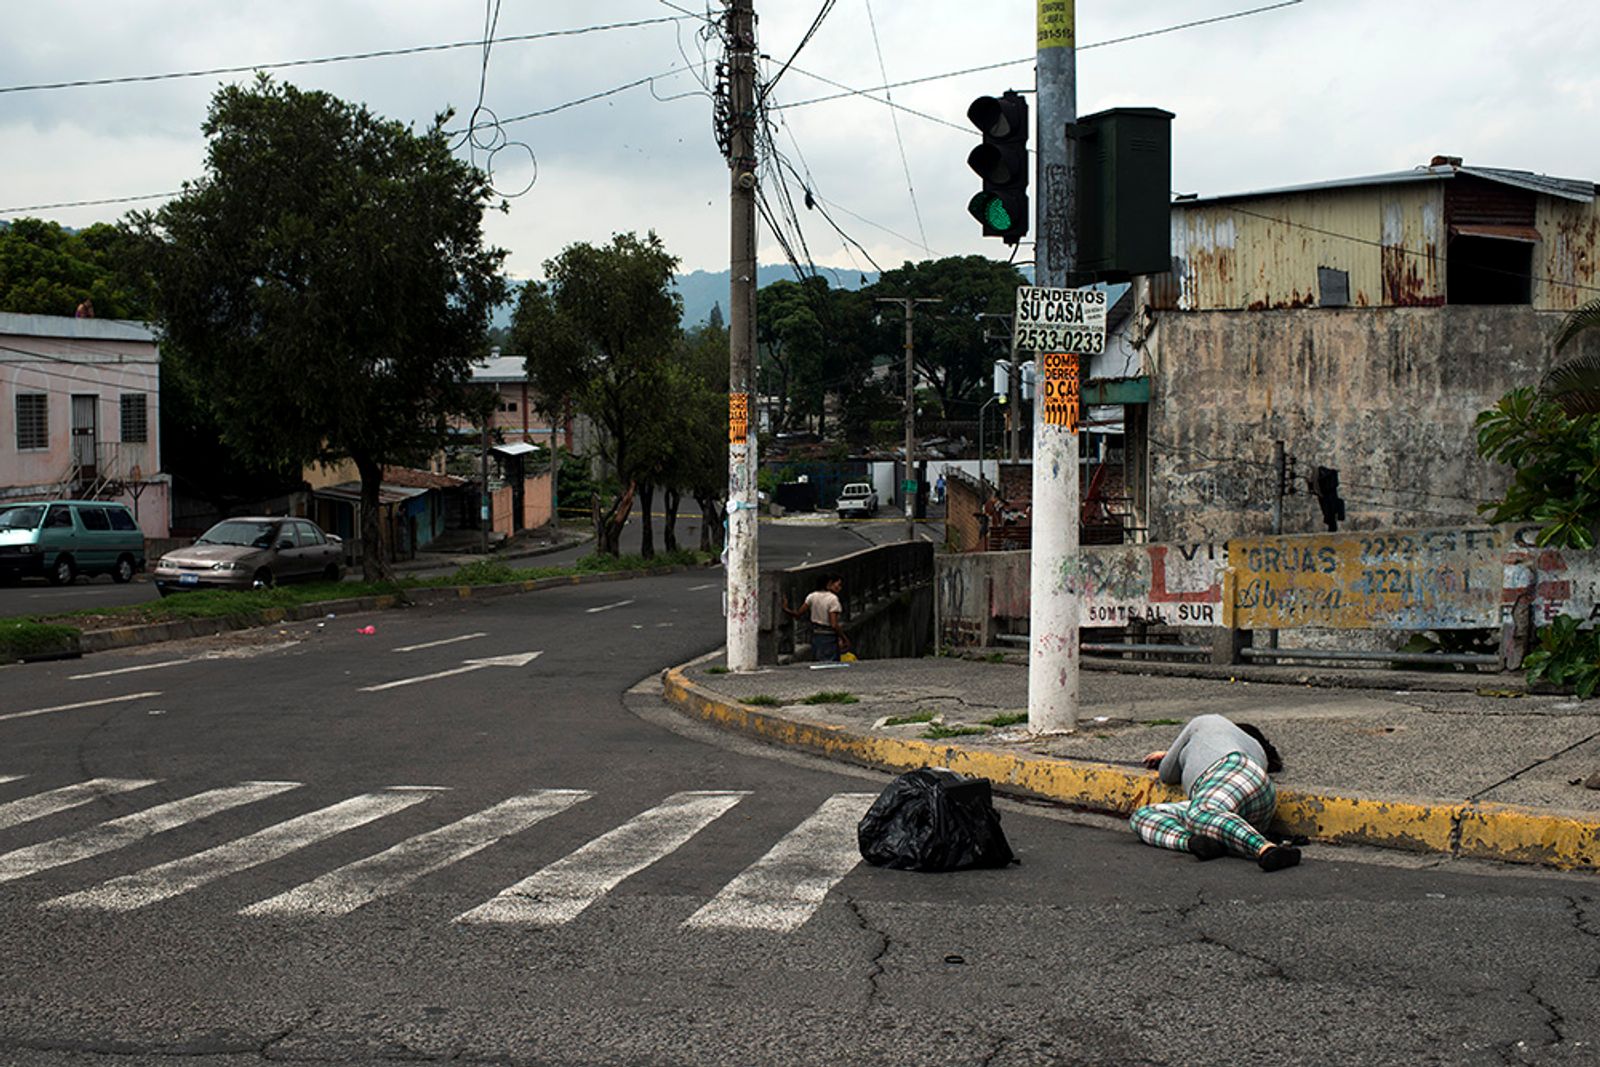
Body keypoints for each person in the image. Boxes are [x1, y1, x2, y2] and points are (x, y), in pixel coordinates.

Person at [1130, 713, 1301, 871]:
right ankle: (1198, 843)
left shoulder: (1206, 721)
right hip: (1254, 797)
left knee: (1200, 812)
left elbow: (1167, 774)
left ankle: (1266, 849)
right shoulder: (1255, 748)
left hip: (1228, 771)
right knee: (1143, 815)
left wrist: (1170, 755)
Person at [782, 573, 850, 663]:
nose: (839, 588)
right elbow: (834, 624)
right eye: (838, 584)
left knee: (818, 661)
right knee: (830, 663)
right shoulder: (832, 599)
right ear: (829, 583)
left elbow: (798, 614)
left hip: (816, 634)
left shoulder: (812, 596)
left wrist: (786, 608)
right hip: (829, 635)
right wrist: (844, 638)